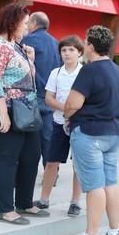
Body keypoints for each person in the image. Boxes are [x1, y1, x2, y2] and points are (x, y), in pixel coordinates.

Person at [62, 26, 119, 235]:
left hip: (90, 132)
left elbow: (72, 103)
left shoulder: (89, 70)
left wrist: (66, 116)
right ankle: (116, 230)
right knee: (111, 181)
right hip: (114, 132)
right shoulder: (116, 69)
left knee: (94, 186)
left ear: (90, 45)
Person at [0, 3, 46, 225]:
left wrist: (30, 58)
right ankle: (5, 209)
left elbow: (25, 78)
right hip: (7, 107)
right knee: (8, 157)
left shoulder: (17, 46)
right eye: (25, 23)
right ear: (12, 22)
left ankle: (25, 202)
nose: (27, 27)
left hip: (26, 108)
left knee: (32, 154)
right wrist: (2, 113)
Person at [33, 35, 83, 217]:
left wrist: (73, 112)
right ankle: (44, 199)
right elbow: (48, 98)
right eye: (64, 50)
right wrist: (67, 109)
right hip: (58, 123)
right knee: (51, 161)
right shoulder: (56, 73)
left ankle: (75, 202)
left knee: (78, 164)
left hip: (79, 125)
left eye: (71, 50)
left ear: (79, 52)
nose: (67, 53)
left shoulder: (85, 72)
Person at [21, 12, 61, 166]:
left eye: (28, 23)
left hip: (34, 94)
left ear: (34, 23)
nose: (26, 26)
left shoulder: (28, 40)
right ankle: (51, 171)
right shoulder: (56, 43)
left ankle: (28, 171)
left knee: (32, 139)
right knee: (48, 137)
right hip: (51, 96)